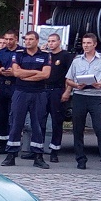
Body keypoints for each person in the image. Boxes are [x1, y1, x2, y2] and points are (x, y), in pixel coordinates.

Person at [64, 33, 101, 172]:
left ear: (94, 44)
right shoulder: (77, 61)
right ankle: (80, 159)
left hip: (96, 96)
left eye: (88, 43)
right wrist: (76, 85)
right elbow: (68, 79)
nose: (85, 46)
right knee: (78, 129)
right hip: (80, 96)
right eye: (84, 43)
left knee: (100, 128)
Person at [0, 31, 51, 169]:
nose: (27, 42)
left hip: (38, 93)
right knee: (16, 123)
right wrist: (36, 73)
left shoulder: (45, 55)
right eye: (26, 39)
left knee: (38, 125)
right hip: (20, 92)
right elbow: (16, 73)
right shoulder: (19, 54)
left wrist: (25, 75)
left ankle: (38, 157)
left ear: (37, 40)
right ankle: (11, 155)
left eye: (31, 39)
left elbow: (46, 74)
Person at [42, 33, 72, 162]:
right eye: (49, 41)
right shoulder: (45, 55)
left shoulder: (65, 56)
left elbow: (70, 76)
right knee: (40, 121)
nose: (51, 43)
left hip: (57, 90)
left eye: (53, 41)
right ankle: (37, 149)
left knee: (56, 121)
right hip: (44, 90)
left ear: (59, 42)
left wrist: (67, 92)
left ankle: (54, 150)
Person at [0, 30, 21, 154]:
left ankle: (13, 144)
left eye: (11, 39)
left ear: (16, 40)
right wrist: (1, 71)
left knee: (13, 115)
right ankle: (3, 144)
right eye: (7, 39)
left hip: (16, 85)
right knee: (1, 115)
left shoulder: (22, 52)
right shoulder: (2, 53)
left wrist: (14, 72)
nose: (8, 42)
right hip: (3, 85)